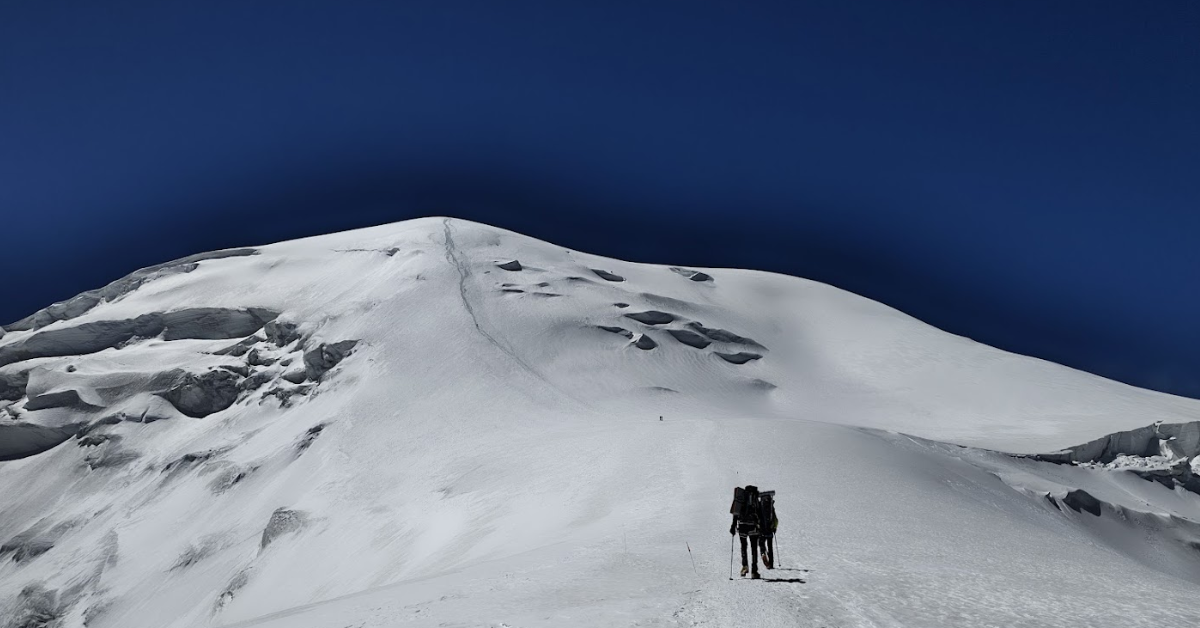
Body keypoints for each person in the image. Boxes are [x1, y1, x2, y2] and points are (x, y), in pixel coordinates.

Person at [729, 484, 764, 578]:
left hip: (742, 526)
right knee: (754, 548)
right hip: (753, 526)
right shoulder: (755, 498)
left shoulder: (740, 498)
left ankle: (744, 566)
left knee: (743, 546)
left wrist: (733, 525)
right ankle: (754, 570)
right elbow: (760, 513)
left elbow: (736, 512)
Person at [758, 491, 779, 569]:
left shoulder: (759, 506)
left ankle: (763, 553)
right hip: (770, 530)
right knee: (770, 547)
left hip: (762, 530)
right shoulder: (771, 508)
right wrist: (774, 528)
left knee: (761, 543)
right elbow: (776, 520)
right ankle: (771, 564)